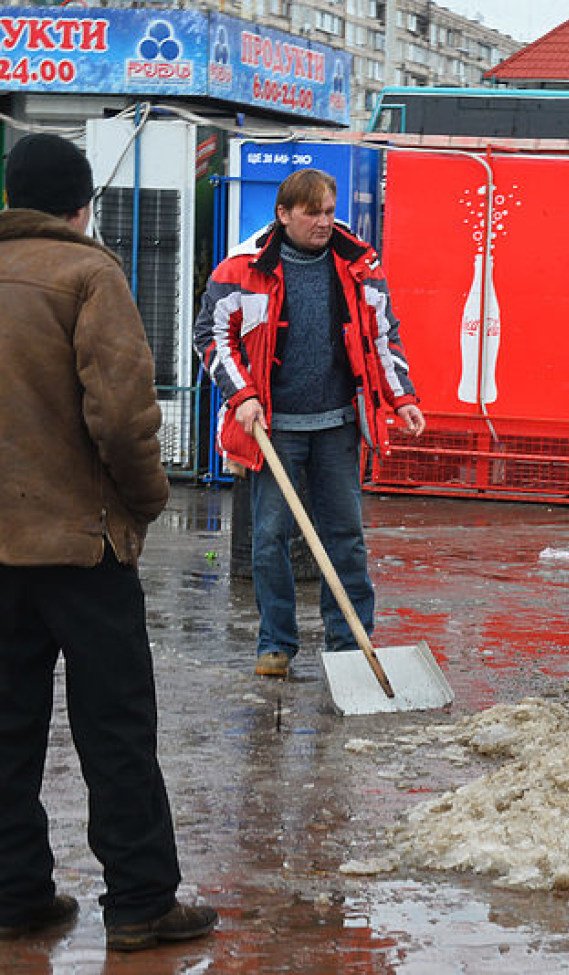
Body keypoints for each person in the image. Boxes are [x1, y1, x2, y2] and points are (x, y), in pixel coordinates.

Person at [0, 133, 217, 951]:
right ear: (82, 204)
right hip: (83, 548)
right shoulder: (91, 274)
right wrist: (144, 502)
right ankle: (139, 902)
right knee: (115, 726)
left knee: (5, 726)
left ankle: (15, 892)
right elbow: (123, 418)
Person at [195, 169, 424, 678]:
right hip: (273, 428)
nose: (323, 222)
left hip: (338, 423)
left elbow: (383, 335)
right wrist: (243, 396)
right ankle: (275, 643)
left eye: (328, 211)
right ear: (283, 215)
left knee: (345, 535)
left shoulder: (358, 266)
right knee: (270, 537)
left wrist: (401, 397)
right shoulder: (242, 269)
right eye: (312, 213)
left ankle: (349, 645)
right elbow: (212, 337)